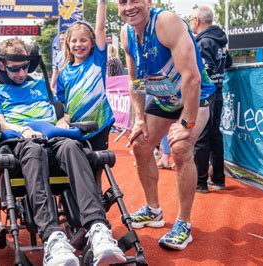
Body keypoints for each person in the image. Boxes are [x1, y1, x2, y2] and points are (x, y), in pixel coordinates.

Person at [0, 37, 126, 266]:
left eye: (24, 67)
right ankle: (52, 237)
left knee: (72, 146)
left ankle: (97, 228)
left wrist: (63, 122)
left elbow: (61, 112)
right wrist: (24, 130)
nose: (21, 73)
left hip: (55, 139)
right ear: (1, 66)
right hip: (23, 142)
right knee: (33, 149)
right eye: (14, 68)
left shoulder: (40, 84)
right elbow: (0, 123)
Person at [118, 0, 217, 250]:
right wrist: (139, 117)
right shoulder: (126, 34)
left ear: (149, 2)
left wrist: (186, 122)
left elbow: (192, 78)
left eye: (135, 0)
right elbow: (135, 80)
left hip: (194, 96)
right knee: (140, 144)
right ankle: (153, 211)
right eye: (122, 2)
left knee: (181, 148)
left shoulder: (166, 23)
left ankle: (184, 224)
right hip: (165, 99)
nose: (129, 7)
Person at [56, 0, 115, 151]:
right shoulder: (63, 73)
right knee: (78, 168)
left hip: (99, 124)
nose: (78, 44)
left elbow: (100, 29)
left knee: (98, 166)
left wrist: (101, 3)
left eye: (83, 40)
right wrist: (63, 119)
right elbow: (63, 104)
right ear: (68, 43)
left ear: (92, 42)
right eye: (74, 41)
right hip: (75, 129)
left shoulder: (97, 61)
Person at [189, 6, 231, 193]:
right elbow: (228, 63)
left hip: (207, 95)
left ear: (197, 21)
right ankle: (219, 179)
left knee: (202, 137)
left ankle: (200, 182)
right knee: (214, 135)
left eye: (191, 19)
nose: (190, 23)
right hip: (219, 92)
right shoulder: (220, 41)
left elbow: (204, 72)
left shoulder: (203, 42)